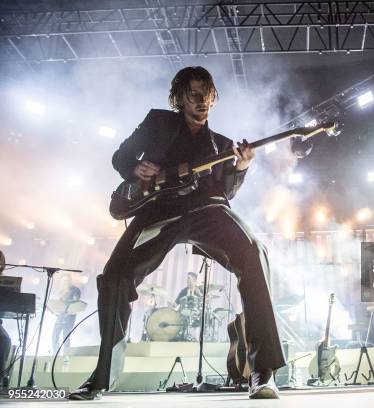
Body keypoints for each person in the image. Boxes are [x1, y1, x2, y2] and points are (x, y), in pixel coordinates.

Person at [68, 66, 285, 400]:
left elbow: (227, 192)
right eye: (193, 94)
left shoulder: (222, 145)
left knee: (254, 252)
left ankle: (263, 371)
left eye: (206, 95)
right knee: (114, 276)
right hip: (160, 210)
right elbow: (121, 156)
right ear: (179, 98)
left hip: (207, 210)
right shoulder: (158, 122)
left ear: (214, 97)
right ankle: (101, 376)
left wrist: (240, 167)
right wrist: (134, 167)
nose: (201, 101)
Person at [52, 274, 82, 352]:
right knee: (55, 335)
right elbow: (58, 303)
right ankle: (55, 354)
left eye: (66, 280)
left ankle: (66, 355)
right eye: (63, 281)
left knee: (65, 336)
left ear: (70, 281)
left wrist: (64, 300)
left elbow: (76, 301)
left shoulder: (76, 290)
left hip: (70, 317)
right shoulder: (61, 290)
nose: (65, 282)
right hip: (61, 316)